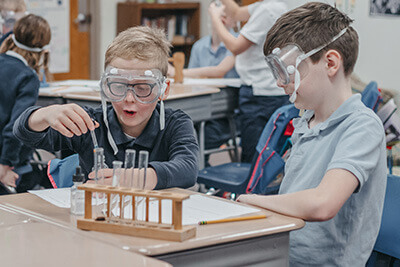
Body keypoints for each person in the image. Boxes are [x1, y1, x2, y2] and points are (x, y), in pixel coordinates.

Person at [237, 2, 387, 266]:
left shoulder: (362, 126)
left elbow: (322, 204)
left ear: (330, 62)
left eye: (289, 72)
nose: (280, 83)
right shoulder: (307, 120)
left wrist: (253, 201)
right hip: (282, 254)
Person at [14, 26, 199, 190]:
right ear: (104, 86)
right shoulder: (90, 124)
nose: (128, 98)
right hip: (98, 217)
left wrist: (134, 179)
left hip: (155, 221)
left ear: (163, 90)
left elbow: (188, 169)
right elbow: (24, 132)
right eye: (118, 87)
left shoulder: (175, 123)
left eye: (143, 88)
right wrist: (45, 114)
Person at [208, 0, 290, 163]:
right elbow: (237, 13)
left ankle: (253, 189)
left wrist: (215, 18)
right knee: (269, 153)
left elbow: (236, 46)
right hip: (268, 91)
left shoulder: (268, 9)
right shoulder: (270, 6)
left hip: (260, 94)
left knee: (255, 156)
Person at [0, 14, 51, 194]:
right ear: (43, 47)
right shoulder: (27, 77)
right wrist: (5, 165)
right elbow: (15, 127)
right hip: (6, 160)